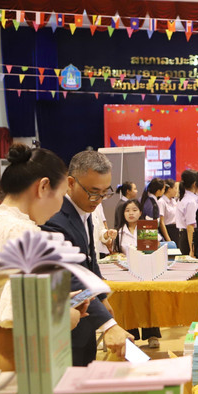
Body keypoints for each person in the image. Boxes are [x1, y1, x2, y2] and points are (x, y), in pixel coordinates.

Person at [0, 144, 83, 370]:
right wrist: (67, 315)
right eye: (62, 195)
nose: (59, 207)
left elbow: (6, 301)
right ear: (44, 186)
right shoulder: (23, 232)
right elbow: (26, 318)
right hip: (22, 367)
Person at [42, 150, 134, 366]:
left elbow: (90, 259)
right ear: (71, 183)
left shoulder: (83, 210)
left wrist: (102, 297)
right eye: (93, 192)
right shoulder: (54, 219)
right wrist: (108, 325)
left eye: (105, 193)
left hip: (85, 315)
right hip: (64, 324)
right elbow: (70, 275)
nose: (99, 200)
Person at [114, 198, 163, 347]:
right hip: (127, 272)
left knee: (148, 302)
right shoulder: (119, 232)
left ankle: (152, 335)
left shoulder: (146, 227)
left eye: (134, 210)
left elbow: (156, 247)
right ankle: (131, 335)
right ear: (123, 213)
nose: (131, 213)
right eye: (127, 210)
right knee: (129, 304)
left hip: (145, 270)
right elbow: (115, 252)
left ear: (140, 212)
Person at [177, 169, 198, 256]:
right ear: (195, 184)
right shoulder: (191, 201)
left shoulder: (185, 197)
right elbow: (190, 227)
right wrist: (192, 249)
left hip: (185, 236)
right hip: (190, 238)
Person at [140, 178, 170, 243]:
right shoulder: (153, 205)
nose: (164, 191)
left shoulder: (144, 199)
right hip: (149, 238)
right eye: (164, 189)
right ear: (158, 191)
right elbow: (151, 226)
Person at [158, 178, 179, 244]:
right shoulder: (161, 202)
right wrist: (168, 239)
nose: (176, 191)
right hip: (168, 230)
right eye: (175, 188)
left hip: (176, 230)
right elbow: (161, 222)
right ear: (169, 189)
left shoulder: (173, 201)